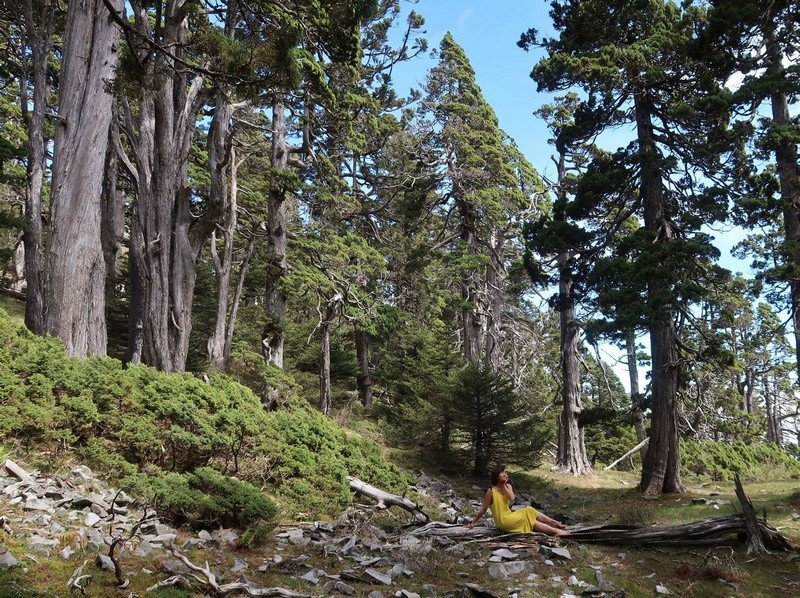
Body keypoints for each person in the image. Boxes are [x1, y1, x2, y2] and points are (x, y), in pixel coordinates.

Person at [466, 465, 569, 537]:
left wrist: (504, 485)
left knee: (530, 516)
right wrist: (473, 523)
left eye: (505, 472)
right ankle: (555, 527)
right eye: (502, 473)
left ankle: (555, 527)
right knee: (528, 511)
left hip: (510, 516)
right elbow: (483, 509)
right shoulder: (491, 491)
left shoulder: (508, 486)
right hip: (503, 521)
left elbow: (511, 498)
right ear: (496, 476)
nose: (505, 474)